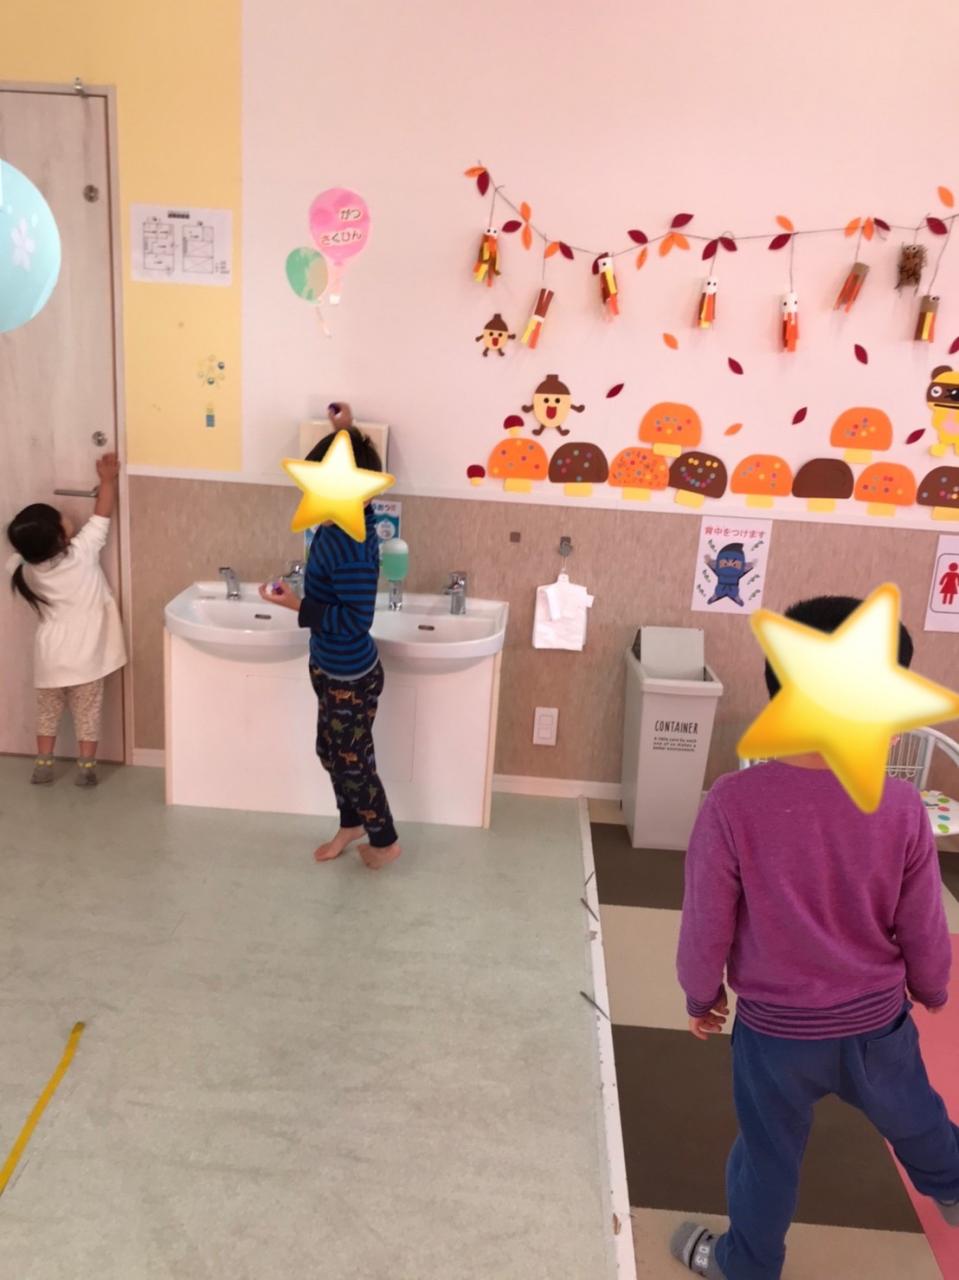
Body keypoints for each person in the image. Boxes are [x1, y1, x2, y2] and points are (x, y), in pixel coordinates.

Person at [671, 595, 959, 1280]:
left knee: (767, 1156)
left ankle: (746, 1265)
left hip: (775, 1035)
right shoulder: (899, 805)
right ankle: (952, 1186)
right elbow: (924, 919)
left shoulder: (731, 803)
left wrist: (700, 996)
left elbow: (706, 920)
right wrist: (932, 985)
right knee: (916, 1116)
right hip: (876, 1026)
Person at [262, 407, 400, 870]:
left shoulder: (351, 543)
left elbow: (357, 620)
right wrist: (345, 429)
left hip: (349, 674)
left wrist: (296, 606)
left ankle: (385, 841)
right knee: (332, 752)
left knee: (352, 762)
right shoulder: (342, 517)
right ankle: (351, 823)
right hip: (329, 663)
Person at [5, 453, 126, 787]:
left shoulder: (25, 571)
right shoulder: (82, 553)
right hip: (86, 657)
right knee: (88, 713)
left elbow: (18, 556)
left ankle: (43, 763)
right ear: (60, 535)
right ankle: (86, 768)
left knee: (47, 713)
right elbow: (102, 513)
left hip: (50, 658)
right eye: (62, 519)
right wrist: (107, 480)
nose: (67, 517)